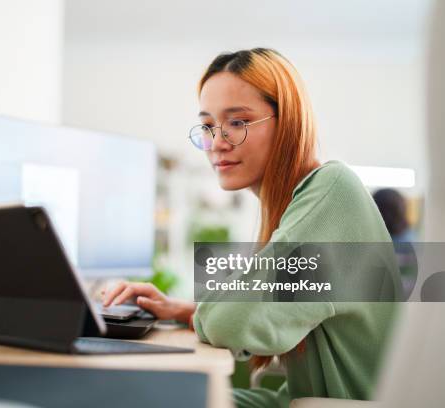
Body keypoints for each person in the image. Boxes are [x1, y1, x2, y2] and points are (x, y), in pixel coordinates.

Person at [102, 48, 401, 407]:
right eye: (209, 126)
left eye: (238, 123)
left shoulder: (333, 188)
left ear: (287, 121)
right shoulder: (294, 204)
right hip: (303, 400)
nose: (217, 143)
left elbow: (233, 321)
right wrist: (184, 310)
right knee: (156, 397)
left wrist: (206, 315)